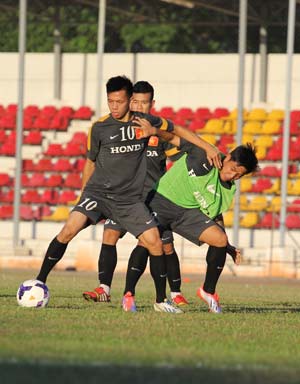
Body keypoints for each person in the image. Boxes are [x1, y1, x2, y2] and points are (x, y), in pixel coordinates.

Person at [33, 75, 220, 314]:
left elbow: (177, 132)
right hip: (98, 192)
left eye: (119, 101)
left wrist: (207, 147)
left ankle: (161, 300)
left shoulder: (145, 122)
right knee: (69, 229)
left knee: (154, 241)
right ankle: (40, 281)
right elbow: (90, 162)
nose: (114, 106)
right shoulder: (100, 127)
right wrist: (83, 195)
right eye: (110, 101)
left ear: (130, 100)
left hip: (128, 200)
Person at [82, 81, 188, 306]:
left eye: (144, 102)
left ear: (152, 104)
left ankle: (176, 293)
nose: (139, 106)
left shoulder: (156, 132)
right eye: (136, 101)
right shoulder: (122, 128)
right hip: (123, 197)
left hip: (152, 199)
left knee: (164, 245)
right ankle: (104, 288)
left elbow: (180, 158)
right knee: (109, 234)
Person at [121, 140, 259, 313]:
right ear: (228, 157)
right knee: (148, 244)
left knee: (220, 239)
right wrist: (155, 129)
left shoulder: (228, 188)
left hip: (187, 212)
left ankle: (208, 291)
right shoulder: (206, 155)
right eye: (233, 169)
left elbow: (214, 213)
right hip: (162, 201)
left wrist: (227, 246)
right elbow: (177, 136)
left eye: (239, 175)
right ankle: (129, 295)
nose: (233, 176)